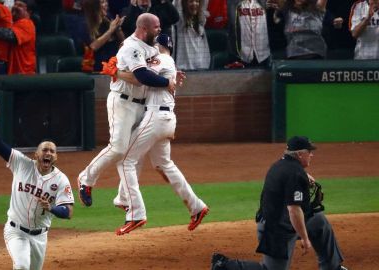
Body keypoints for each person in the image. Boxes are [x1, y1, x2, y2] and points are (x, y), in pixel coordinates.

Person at [111, 33, 209, 235]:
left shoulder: (161, 59)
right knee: (163, 164)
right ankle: (196, 206)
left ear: (158, 45)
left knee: (125, 160)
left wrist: (116, 72)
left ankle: (135, 213)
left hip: (155, 117)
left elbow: (141, 77)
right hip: (166, 118)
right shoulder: (169, 61)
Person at [77, 13, 177, 208]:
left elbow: (152, 71)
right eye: (156, 27)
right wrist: (167, 83)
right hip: (123, 102)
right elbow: (141, 76)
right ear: (144, 28)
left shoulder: (152, 47)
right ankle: (85, 179)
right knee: (119, 148)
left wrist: (171, 75)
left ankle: (124, 197)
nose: (159, 31)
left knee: (134, 153)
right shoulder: (131, 47)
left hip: (142, 104)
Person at [211, 136, 347, 270]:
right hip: (275, 229)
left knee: (318, 222)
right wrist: (305, 238)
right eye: (309, 152)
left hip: (281, 221)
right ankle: (224, 266)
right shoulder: (295, 174)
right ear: (300, 154)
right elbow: (294, 210)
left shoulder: (281, 164)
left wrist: (304, 175)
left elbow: (288, 177)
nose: (312, 155)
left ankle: (333, 267)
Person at [0, 102, 74, 270]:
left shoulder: (61, 180)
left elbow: (68, 212)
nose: (48, 153)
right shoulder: (21, 164)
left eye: (52, 151)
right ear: (36, 154)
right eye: (44, 150)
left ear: (56, 157)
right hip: (16, 231)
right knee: (21, 266)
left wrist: (51, 207)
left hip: (40, 236)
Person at [82, 0, 125, 72]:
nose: (106, 4)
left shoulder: (108, 19)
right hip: (98, 67)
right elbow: (93, 46)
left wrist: (118, 28)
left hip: (115, 64)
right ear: (94, 6)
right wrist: (111, 30)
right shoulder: (85, 24)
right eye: (102, 2)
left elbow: (123, 42)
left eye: (106, 2)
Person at [173, 0, 211, 70]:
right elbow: (177, 5)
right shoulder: (181, 22)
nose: (194, 4)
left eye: (197, 1)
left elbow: (204, 3)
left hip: (202, 67)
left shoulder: (201, 21)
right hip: (185, 69)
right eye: (190, 1)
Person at [231, 0, 271, 66]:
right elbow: (232, 25)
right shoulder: (235, 3)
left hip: (264, 53)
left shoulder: (264, 2)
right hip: (242, 54)